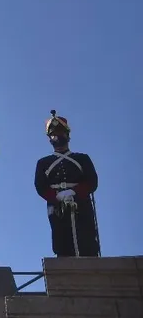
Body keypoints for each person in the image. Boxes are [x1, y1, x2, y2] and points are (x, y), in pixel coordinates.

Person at [34, 110, 100, 257]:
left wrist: (74, 192)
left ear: (67, 134)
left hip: (80, 202)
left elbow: (92, 181)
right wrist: (56, 197)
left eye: (60, 132)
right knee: (61, 237)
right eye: (53, 133)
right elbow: (40, 186)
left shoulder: (82, 158)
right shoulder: (43, 163)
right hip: (56, 205)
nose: (57, 136)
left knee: (86, 237)